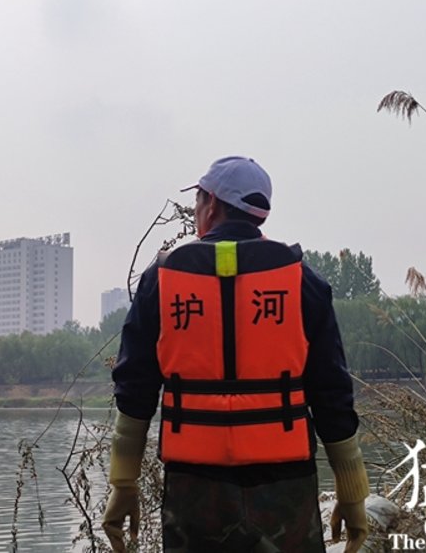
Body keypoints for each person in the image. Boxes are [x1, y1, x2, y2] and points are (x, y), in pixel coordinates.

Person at [102, 156, 369, 552]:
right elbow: (331, 393)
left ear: (211, 203)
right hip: (284, 485)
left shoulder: (162, 280)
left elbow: (135, 389)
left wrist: (124, 482)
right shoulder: (302, 281)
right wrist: (352, 494)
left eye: (197, 202)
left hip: (195, 487)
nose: (196, 211)